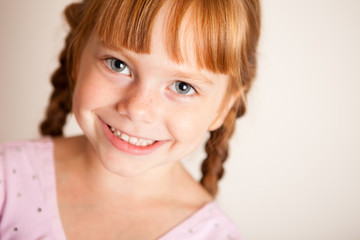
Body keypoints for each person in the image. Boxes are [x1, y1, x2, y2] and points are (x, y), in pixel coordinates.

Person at [0, 0, 261, 239]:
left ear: (223, 108)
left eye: (182, 86)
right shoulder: (7, 180)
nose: (137, 109)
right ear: (77, 58)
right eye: (117, 64)